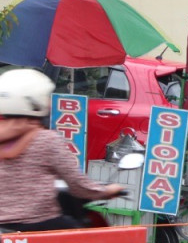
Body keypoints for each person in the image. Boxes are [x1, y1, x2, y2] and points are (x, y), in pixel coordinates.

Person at [0, 67, 126, 233]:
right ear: (34, 101)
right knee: (82, 236)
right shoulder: (46, 140)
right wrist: (107, 190)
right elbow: (77, 185)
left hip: (3, 227)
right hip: (40, 225)